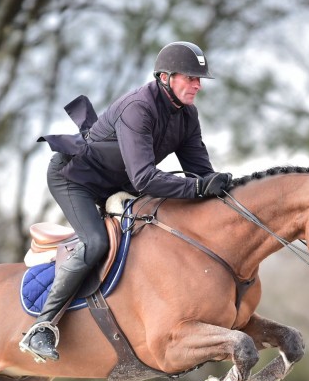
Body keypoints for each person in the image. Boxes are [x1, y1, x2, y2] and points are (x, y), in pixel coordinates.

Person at [21, 41, 232, 362]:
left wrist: (222, 192)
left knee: (157, 227)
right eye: (190, 78)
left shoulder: (187, 116)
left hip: (117, 181)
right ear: (165, 78)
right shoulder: (139, 107)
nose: (197, 85)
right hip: (75, 178)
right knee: (95, 242)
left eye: (199, 79)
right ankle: (42, 326)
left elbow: (200, 173)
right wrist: (200, 188)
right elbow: (145, 179)